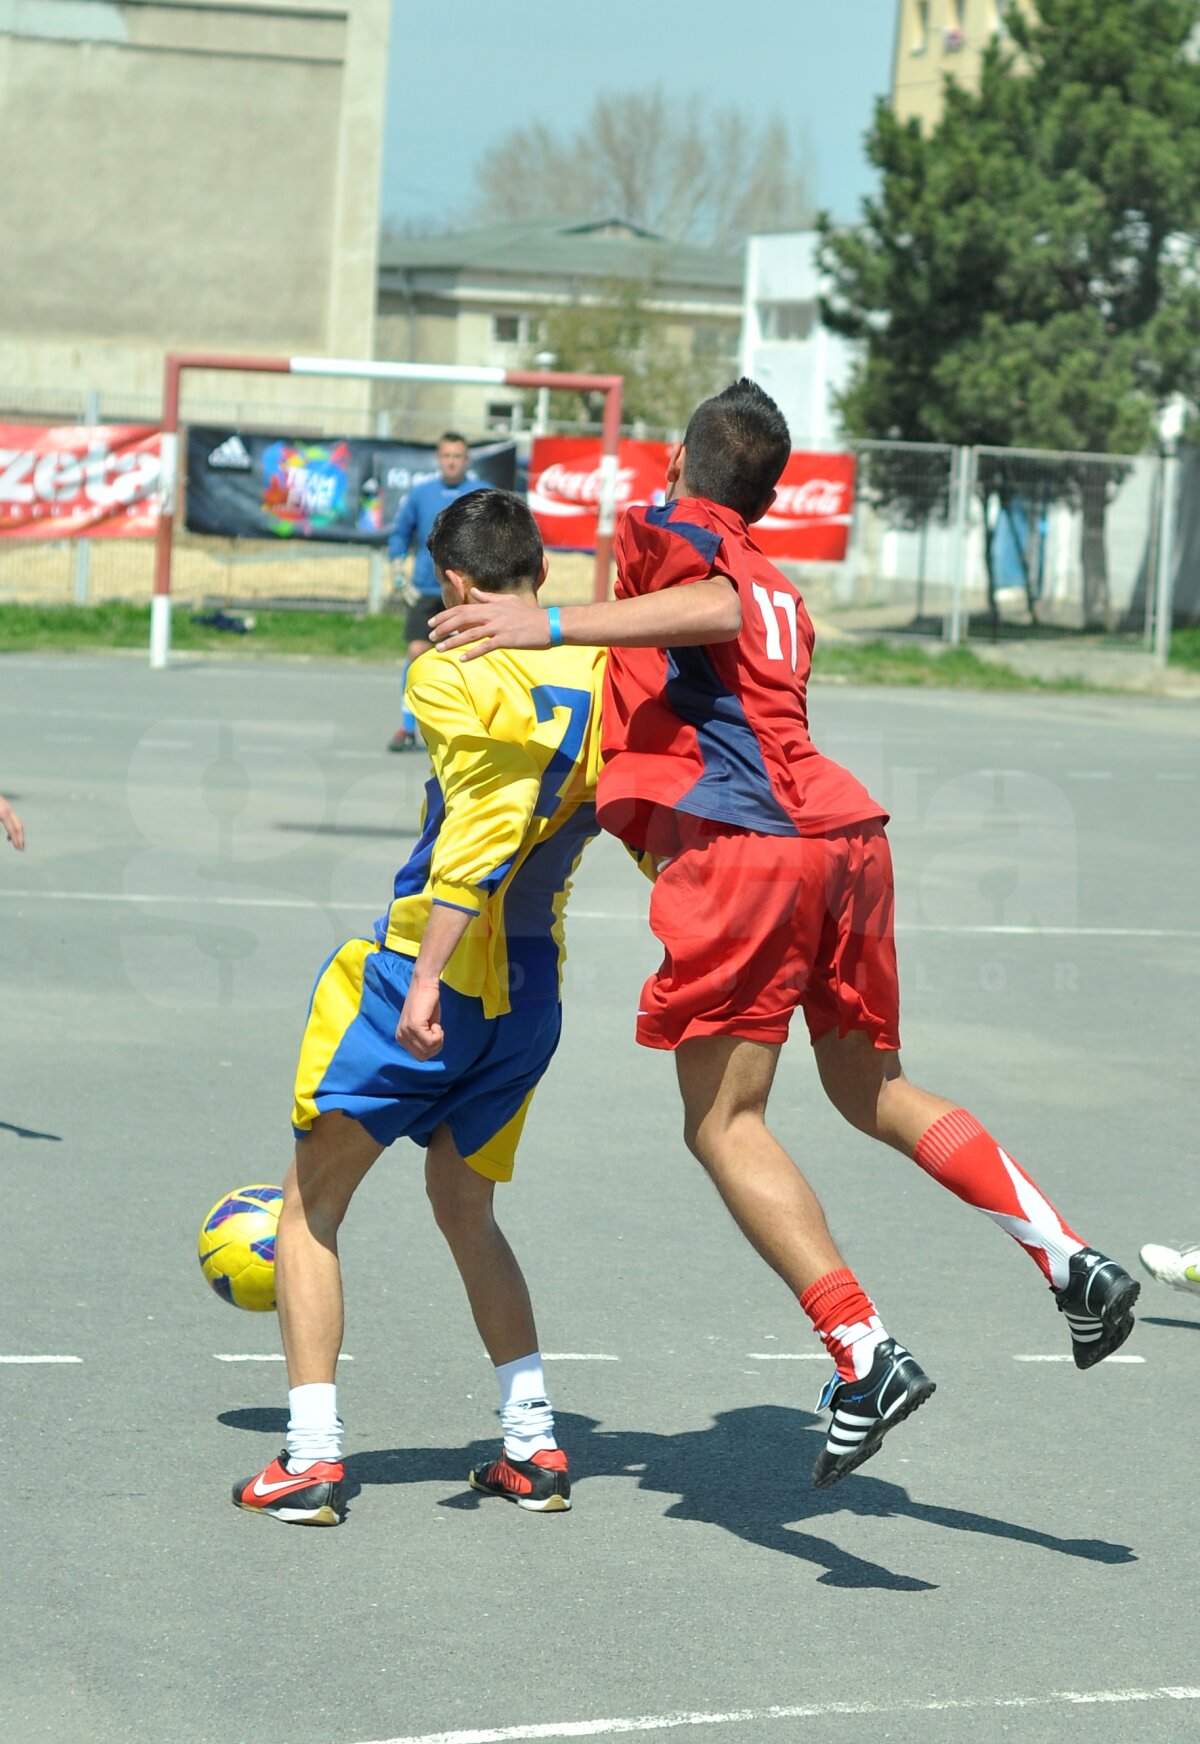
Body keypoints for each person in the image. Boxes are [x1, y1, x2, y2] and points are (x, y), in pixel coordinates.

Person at [429, 378, 1140, 1491]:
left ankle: (863, 1351)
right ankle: (1070, 1261)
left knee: (723, 1121)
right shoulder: (783, 586)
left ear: (680, 462)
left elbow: (706, 606)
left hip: (753, 848)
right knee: (872, 1089)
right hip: (844, 838)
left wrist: (546, 622)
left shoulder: (679, 532)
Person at [233, 489, 605, 1525]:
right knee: (465, 1206)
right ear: (541, 570)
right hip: (533, 989)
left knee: (309, 1209)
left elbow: (486, 815)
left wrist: (432, 970)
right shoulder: (602, 666)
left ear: (452, 584)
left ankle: (311, 1458)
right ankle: (531, 1443)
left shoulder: (448, 666)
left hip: (430, 973)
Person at [385, 433, 491, 752]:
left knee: (472, 654)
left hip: (468, 590)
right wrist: (398, 573)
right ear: (438, 458)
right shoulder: (422, 494)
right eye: (446, 456)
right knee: (417, 652)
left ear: (466, 459)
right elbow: (399, 534)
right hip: (428, 589)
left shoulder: (481, 493)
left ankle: (473, 728)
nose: (451, 462)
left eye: (457, 456)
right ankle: (407, 727)